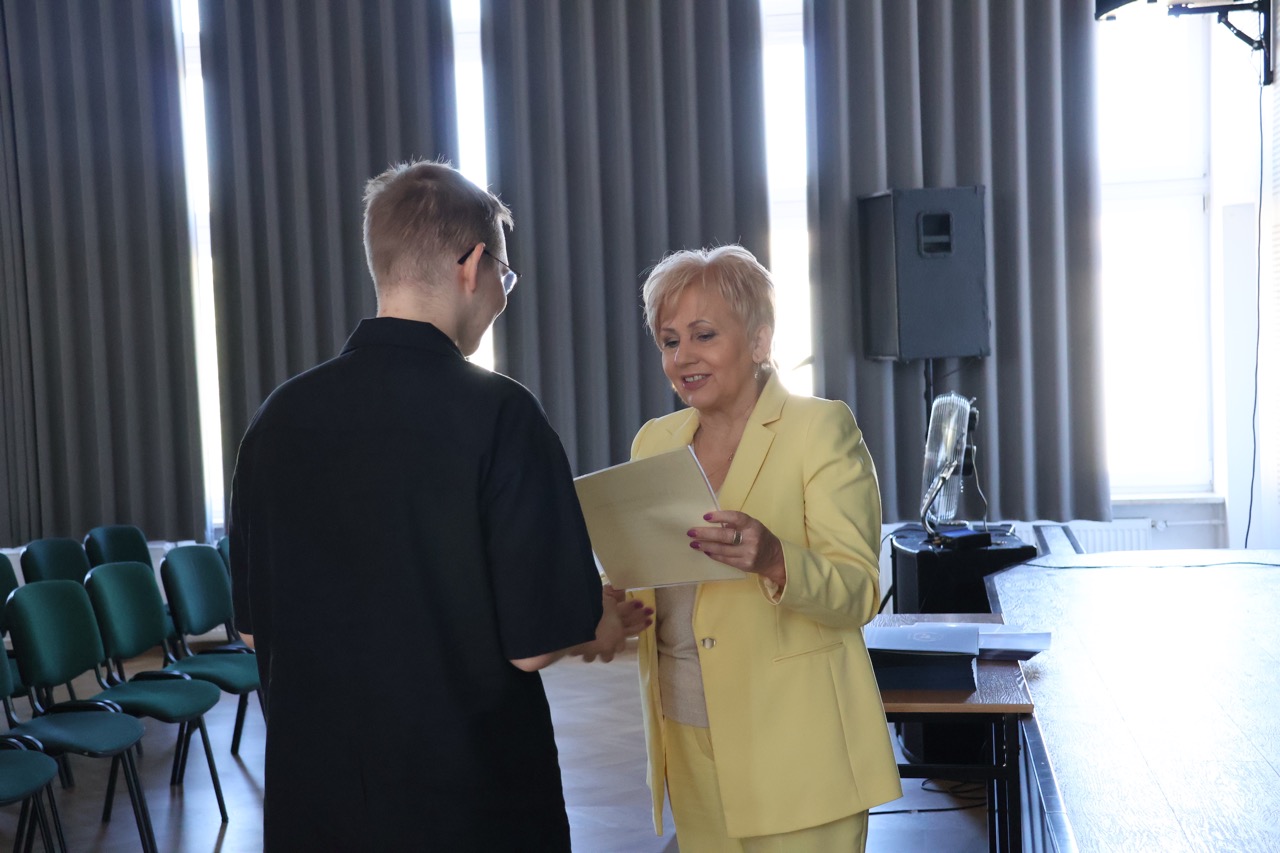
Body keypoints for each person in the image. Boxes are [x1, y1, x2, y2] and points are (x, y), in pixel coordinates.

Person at [228, 159, 649, 852]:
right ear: (473, 265)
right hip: (468, 806)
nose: (502, 292)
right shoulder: (501, 415)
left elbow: (253, 632)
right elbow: (532, 645)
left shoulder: (277, 420)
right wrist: (595, 625)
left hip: (316, 806)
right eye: (504, 274)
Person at [622, 245, 902, 851]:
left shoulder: (819, 429)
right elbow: (651, 584)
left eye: (703, 335)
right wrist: (612, 604)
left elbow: (859, 592)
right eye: (669, 341)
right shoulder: (654, 442)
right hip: (686, 738)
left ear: (758, 341)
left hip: (797, 746)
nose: (683, 357)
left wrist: (776, 560)